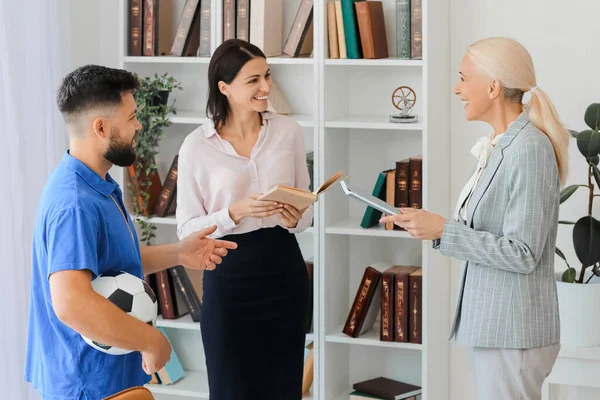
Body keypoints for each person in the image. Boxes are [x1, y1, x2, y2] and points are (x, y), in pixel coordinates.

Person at [24, 64, 238, 400]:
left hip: (107, 377)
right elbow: (70, 302)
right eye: (132, 117)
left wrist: (179, 253)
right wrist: (151, 340)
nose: (139, 125)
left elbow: (109, 262)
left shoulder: (98, 185)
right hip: (89, 383)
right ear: (101, 127)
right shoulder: (75, 203)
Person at [381, 37, 570, 400]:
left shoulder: (528, 149)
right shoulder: (498, 145)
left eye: (463, 78)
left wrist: (443, 229)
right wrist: (428, 225)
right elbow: (483, 232)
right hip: (496, 330)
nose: (457, 89)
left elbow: (523, 253)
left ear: (493, 86)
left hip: (513, 333)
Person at [176, 39, 313, 400]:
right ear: (225, 88)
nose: (266, 87)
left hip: (283, 270)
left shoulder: (289, 132)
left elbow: (306, 212)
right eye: (253, 80)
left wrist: (296, 214)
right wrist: (236, 211)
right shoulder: (196, 146)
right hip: (228, 273)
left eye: (267, 76)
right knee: (229, 388)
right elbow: (188, 229)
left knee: (283, 387)